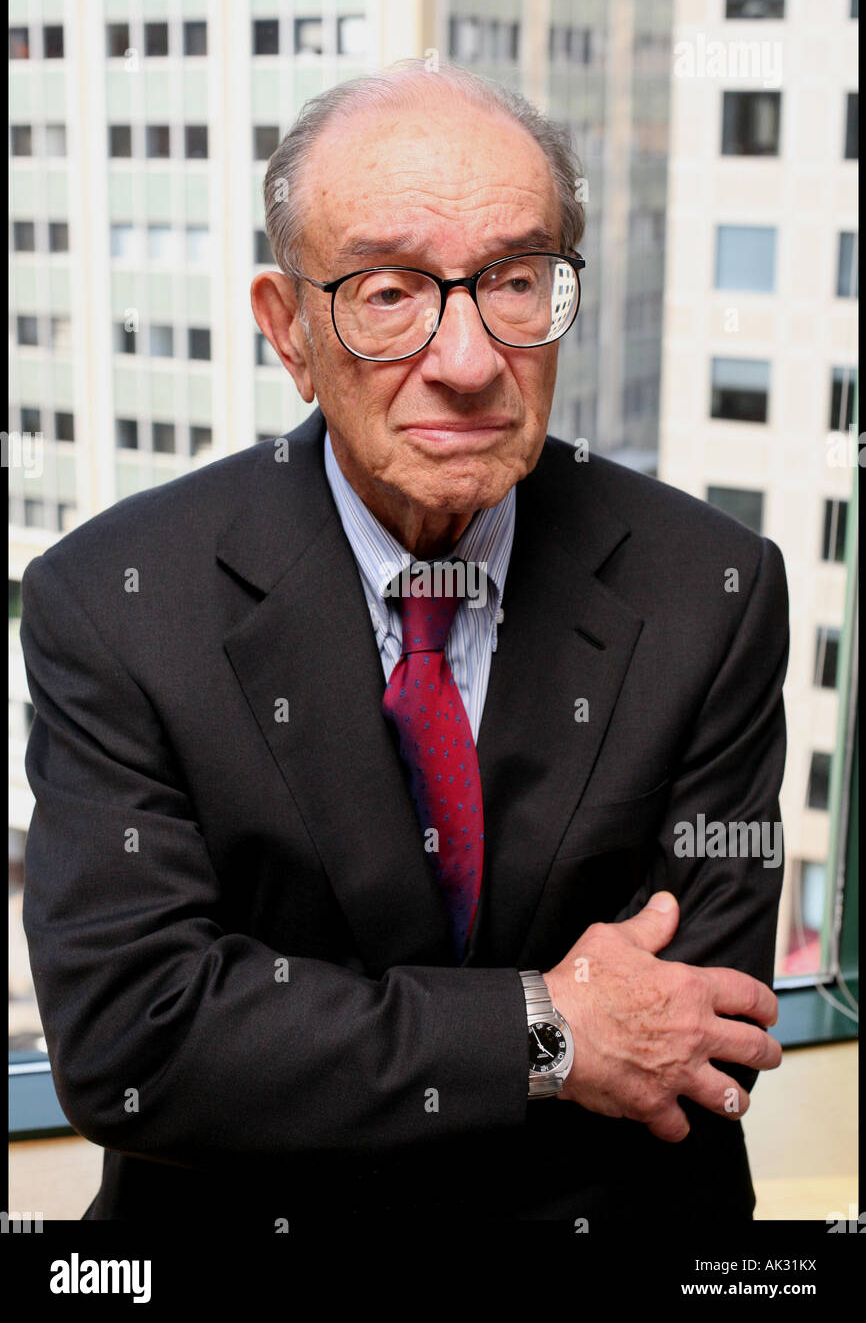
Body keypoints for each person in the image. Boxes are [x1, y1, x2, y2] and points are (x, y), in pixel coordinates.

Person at [20, 61, 787, 1227]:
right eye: (388, 293)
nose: (468, 359)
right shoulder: (118, 602)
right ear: (288, 328)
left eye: (515, 282)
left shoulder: (710, 590)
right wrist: (545, 1031)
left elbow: (699, 1034)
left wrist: (315, 1049)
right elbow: (141, 1038)